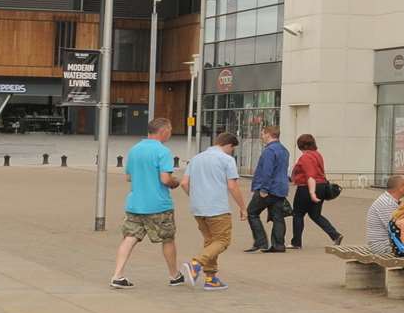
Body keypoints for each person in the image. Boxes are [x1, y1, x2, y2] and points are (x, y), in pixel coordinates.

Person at [109, 118, 185, 290]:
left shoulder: (135, 150)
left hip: (135, 203)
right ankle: (174, 275)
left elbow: (129, 177)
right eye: (170, 130)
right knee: (167, 238)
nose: (171, 133)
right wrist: (175, 182)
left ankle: (117, 275)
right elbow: (165, 179)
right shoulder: (163, 151)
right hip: (158, 204)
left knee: (130, 237)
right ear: (163, 131)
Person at [180, 131, 247, 290]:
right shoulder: (227, 160)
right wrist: (243, 207)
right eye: (233, 149)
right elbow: (232, 186)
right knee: (222, 241)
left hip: (198, 208)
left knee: (210, 242)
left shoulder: (196, 159)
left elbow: (184, 183)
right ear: (229, 145)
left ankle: (211, 278)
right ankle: (195, 264)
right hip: (217, 208)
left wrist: (195, 196)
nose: (232, 152)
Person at [290, 133, 343, 248]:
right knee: (315, 215)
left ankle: (296, 242)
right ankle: (335, 235)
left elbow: (310, 176)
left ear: (301, 145)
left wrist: (312, 193)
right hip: (322, 186)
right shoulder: (317, 155)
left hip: (307, 187)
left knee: (298, 214)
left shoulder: (306, 157)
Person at [245, 125, 290, 253]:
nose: (262, 136)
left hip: (268, 188)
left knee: (252, 212)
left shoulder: (269, 151)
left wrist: (264, 189)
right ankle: (279, 245)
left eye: (263, 134)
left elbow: (267, 171)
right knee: (278, 217)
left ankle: (261, 242)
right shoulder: (284, 150)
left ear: (268, 134)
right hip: (281, 188)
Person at [365, 174, 404, 255]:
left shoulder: (390, 200)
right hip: (383, 246)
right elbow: (398, 229)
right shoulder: (387, 203)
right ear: (400, 188)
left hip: (387, 243)